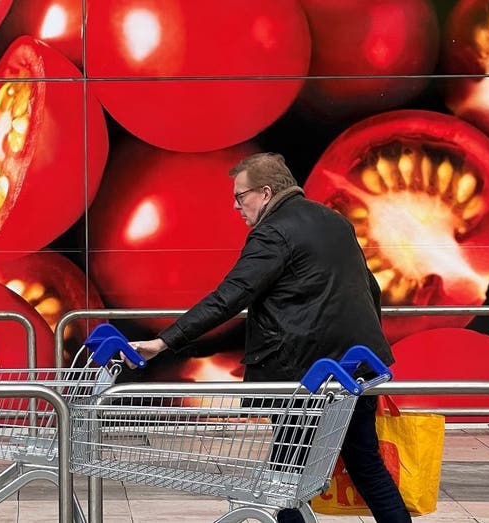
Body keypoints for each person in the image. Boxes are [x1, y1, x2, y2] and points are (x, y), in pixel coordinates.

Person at [129, 152, 410, 523]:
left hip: (304, 374)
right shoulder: (334, 221)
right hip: (354, 368)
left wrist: (163, 342)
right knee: (365, 463)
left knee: (285, 479)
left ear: (264, 192)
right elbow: (369, 289)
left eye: (240, 196)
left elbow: (230, 296)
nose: (235, 206)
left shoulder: (274, 231)